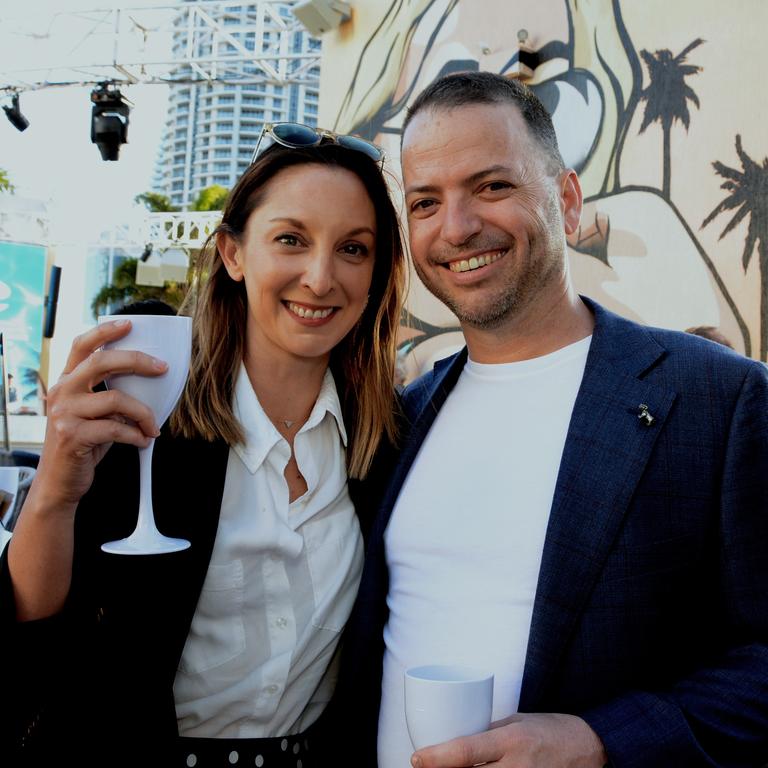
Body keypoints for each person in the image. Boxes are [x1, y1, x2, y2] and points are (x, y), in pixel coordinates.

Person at [337, 72, 768, 767]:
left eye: (492, 186)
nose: (457, 226)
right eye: (425, 202)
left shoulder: (722, 400)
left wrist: (601, 742)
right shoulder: (400, 420)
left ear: (566, 201)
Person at [0, 126, 405, 765]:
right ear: (233, 254)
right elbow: (29, 634)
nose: (321, 277)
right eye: (291, 239)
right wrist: (53, 487)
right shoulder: (141, 413)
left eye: (353, 248)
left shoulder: (384, 439)